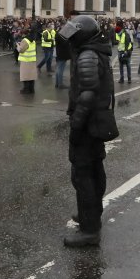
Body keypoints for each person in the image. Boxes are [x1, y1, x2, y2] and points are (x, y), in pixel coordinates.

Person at [59, 16, 115, 247]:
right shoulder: (94, 51)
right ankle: (90, 215)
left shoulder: (88, 56)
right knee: (93, 169)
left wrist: (76, 125)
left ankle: (90, 229)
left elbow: (88, 95)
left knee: (82, 175)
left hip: (89, 124)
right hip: (97, 122)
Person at [17, 28, 37, 94]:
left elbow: (21, 50)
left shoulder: (25, 40)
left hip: (25, 60)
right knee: (31, 76)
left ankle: (26, 90)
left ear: (23, 34)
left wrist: (18, 46)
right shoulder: (32, 40)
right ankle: (32, 89)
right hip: (32, 59)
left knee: (25, 76)